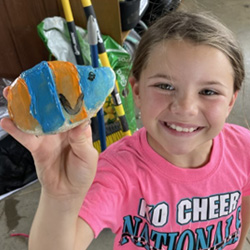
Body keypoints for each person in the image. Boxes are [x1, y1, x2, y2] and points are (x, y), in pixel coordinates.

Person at [1, 11, 250, 250]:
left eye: (208, 92)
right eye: (165, 86)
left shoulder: (244, 148)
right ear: (137, 92)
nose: (185, 108)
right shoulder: (117, 171)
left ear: (230, 101)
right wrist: (61, 197)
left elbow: (245, 197)